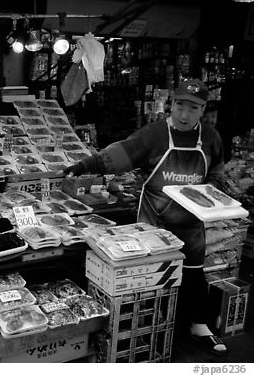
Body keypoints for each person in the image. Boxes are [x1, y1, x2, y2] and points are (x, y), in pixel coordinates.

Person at [64, 79, 228, 356]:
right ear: (171, 104)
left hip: (191, 224)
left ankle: (199, 325)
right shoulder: (154, 134)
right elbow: (119, 155)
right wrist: (83, 166)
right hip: (155, 223)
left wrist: (214, 191)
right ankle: (146, 329)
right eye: (179, 106)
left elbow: (216, 172)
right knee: (150, 280)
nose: (184, 115)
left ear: (203, 110)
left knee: (192, 276)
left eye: (193, 108)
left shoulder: (211, 138)